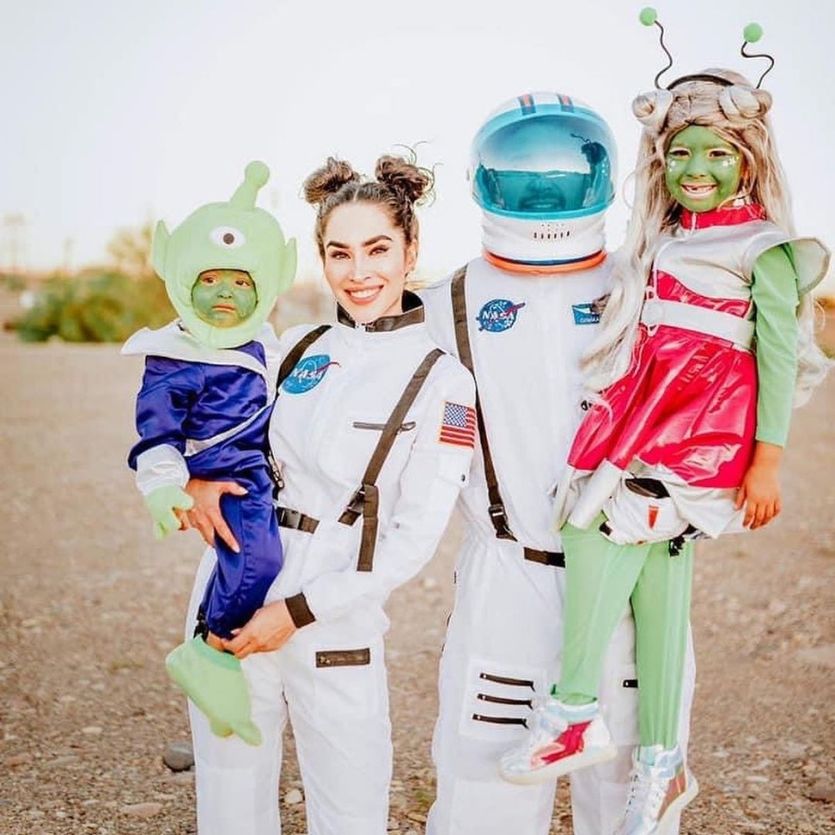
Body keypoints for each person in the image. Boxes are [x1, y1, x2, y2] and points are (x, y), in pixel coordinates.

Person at [498, 23, 830, 835]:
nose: (696, 170)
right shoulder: (667, 237)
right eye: (680, 153)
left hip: (698, 429)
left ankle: (573, 708)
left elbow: (780, 359)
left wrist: (767, 463)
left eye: (717, 154)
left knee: (592, 524)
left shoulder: (769, 246)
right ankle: (662, 761)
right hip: (647, 408)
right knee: (656, 583)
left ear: (750, 158)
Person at [419, 92, 696, 835]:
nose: (544, 189)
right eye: (524, 172)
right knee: (485, 793)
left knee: (633, 799)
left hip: (634, 564)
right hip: (509, 574)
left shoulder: (651, 283)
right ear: (487, 183)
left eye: (562, 170)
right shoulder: (443, 302)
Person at [178, 154, 477, 835]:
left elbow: (412, 538)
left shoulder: (443, 380)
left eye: (377, 249)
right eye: (338, 253)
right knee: (227, 793)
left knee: (349, 807)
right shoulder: (294, 344)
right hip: (230, 584)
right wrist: (197, 476)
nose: (358, 272)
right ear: (319, 257)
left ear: (411, 250)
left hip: (333, 613)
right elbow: (225, 438)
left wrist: (299, 610)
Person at [123, 161, 296, 745]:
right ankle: (210, 646)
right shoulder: (174, 357)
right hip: (229, 476)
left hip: (261, 471)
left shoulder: (265, 341)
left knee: (258, 562)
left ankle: (222, 655)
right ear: (183, 281)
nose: (227, 292)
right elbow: (156, 433)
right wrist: (165, 486)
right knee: (257, 560)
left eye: (244, 282)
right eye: (213, 279)